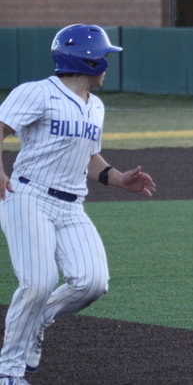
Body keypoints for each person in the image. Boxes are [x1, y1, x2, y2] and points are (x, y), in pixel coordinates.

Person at [0, 24, 156, 384]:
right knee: (38, 283)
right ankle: (9, 372)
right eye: (102, 55)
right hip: (27, 197)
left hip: (71, 207)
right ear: (84, 59)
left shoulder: (95, 106)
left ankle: (37, 320)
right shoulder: (37, 93)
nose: (106, 62)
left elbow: (90, 158)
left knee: (92, 282)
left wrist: (119, 179)